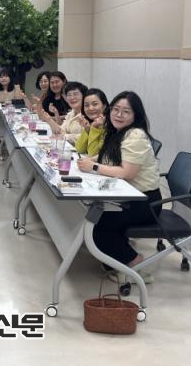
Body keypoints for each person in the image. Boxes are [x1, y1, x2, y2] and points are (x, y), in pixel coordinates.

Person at [77, 91, 161, 283]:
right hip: (125, 195)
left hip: (144, 202)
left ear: (135, 116)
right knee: (93, 218)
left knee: (98, 226)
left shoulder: (136, 136)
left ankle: (136, 264)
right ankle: (115, 260)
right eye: (116, 109)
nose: (119, 115)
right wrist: (89, 161)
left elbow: (127, 172)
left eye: (126, 111)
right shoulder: (117, 131)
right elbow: (107, 156)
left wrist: (94, 167)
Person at [75, 88, 109, 157]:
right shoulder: (92, 122)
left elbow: (93, 154)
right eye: (86, 105)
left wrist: (94, 128)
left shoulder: (109, 126)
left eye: (95, 104)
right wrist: (87, 130)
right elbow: (79, 149)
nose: (90, 108)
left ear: (104, 106)